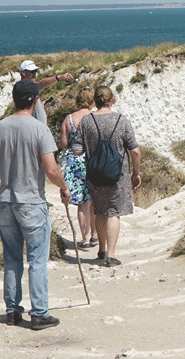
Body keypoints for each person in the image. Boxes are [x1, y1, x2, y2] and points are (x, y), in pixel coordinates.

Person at [0, 79, 71, 330]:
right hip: (31, 202)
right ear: (35, 100)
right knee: (36, 259)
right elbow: (51, 169)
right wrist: (64, 187)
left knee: (12, 258)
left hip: (6, 201)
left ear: (13, 99)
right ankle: (39, 313)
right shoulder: (39, 129)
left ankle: (13, 311)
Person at [73, 86, 141, 267]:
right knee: (114, 212)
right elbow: (135, 151)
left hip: (94, 174)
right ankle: (111, 255)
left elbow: (77, 150)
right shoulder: (121, 120)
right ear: (112, 100)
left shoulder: (87, 121)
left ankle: (101, 249)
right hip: (117, 175)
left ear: (94, 101)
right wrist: (136, 173)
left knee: (100, 210)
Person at [59, 89, 98, 251]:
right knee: (93, 200)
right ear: (92, 101)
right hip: (94, 160)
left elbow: (64, 144)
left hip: (76, 162)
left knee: (82, 203)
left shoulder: (69, 119)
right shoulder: (95, 117)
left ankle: (85, 240)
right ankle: (95, 235)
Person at [19, 60, 74, 124]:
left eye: (35, 71)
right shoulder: (23, 86)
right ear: (23, 73)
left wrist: (40, 106)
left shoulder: (27, 87)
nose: (34, 74)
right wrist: (58, 77)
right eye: (32, 71)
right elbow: (41, 84)